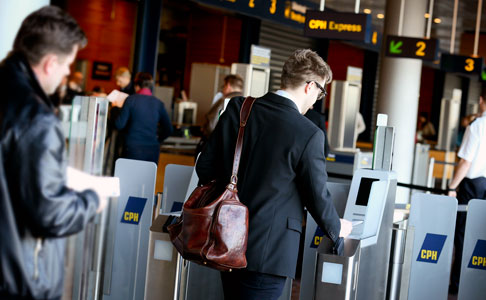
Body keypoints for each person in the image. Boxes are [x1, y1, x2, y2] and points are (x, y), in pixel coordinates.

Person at [195, 49, 353, 300]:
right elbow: (317, 196)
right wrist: (336, 228)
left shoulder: (239, 108)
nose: (316, 101)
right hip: (270, 252)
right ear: (309, 86)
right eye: (320, 92)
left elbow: (204, 167)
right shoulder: (308, 133)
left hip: (224, 239)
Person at [0, 6, 108, 299]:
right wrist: (91, 200)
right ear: (50, 63)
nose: (67, 73)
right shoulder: (38, 119)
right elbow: (49, 214)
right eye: (67, 64)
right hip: (19, 280)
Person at [446, 83, 486, 294]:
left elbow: (466, 162)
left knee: (464, 236)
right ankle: (482, 281)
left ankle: (458, 284)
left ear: (481, 100)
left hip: (472, 187)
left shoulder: (476, 126)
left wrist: (452, 186)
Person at [113, 72, 173, 164]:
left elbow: (119, 125)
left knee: (129, 177)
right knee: (148, 178)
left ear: (136, 85)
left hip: (132, 148)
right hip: (152, 150)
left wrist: (115, 109)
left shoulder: (131, 100)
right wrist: (156, 140)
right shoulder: (158, 103)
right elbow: (168, 129)